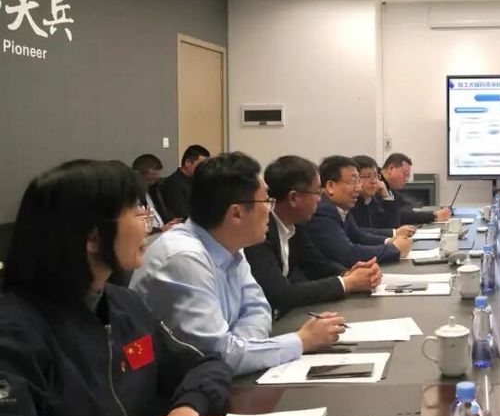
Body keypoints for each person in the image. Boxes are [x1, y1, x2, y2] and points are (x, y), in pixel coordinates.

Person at [0, 159, 242, 416]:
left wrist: (186, 410)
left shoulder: (125, 305)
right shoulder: (13, 334)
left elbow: (206, 365)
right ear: (93, 237)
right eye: (138, 213)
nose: (149, 226)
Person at [130, 152, 346, 376]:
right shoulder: (184, 259)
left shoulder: (230, 245)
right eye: (266, 201)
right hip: (169, 389)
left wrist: (240, 348)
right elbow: (218, 356)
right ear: (236, 213)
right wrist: (300, 341)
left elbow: (258, 309)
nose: (270, 209)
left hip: (214, 379)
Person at [245, 155, 382, 319]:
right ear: (293, 198)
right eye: (317, 192)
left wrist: (347, 274)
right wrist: (348, 283)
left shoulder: (296, 223)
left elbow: (315, 263)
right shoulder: (259, 232)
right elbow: (281, 293)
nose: (320, 198)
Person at [301, 155, 413, 268]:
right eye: (353, 181)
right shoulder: (323, 210)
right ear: (330, 186)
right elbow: (348, 253)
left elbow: (358, 236)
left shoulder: (341, 206)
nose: (359, 188)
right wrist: (394, 249)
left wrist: (389, 241)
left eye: (358, 181)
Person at [350, 154, 417, 239]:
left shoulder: (371, 200)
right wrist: (394, 233)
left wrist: (386, 197)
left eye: (376, 176)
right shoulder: (350, 203)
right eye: (368, 176)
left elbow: (393, 225)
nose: (374, 181)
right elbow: (357, 232)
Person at [380, 153, 451, 225]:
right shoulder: (378, 186)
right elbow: (398, 215)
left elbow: (406, 206)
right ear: (391, 168)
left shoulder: (389, 187)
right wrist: (434, 216)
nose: (406, 179)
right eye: (405, 174)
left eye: (408, 176)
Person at [158, 144, 211, 220]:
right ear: (188, 162)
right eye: (201, 165)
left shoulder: (198, 180)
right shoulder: (173, 183)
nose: (204, 169)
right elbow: (181, 214)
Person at [132, 153, 183, 232]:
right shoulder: (129, 196)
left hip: (161, 231)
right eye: (151, 178)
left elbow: (161, 212)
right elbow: (136, 227)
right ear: (138, 174)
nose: (155, 179)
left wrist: (171, 222)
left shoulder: (154, 189)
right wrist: (160, 230)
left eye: (156, 176)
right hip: (149, 235)